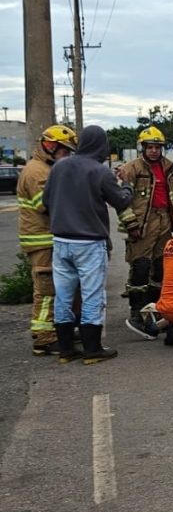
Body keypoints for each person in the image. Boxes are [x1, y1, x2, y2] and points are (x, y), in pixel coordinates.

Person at [42, 125, 134, 364]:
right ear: (102, 146)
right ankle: (92, 349)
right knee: (92, 294)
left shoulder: (58, 167)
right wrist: (126, 185)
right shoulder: (99, 171)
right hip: (89, 243)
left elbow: (45, 201)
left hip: (61, 241)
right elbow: (120, 201)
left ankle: (66, 349)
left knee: (63, 295)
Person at [117, 126, 173, 338]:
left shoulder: (169, 169)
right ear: (143, 148)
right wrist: (131, 224)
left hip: (164, 220)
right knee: (140, 266)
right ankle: (137, 313)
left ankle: (156, 311)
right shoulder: (131, 169)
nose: (154, 151)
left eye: (157, 147)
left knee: (161, 268)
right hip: (142, 224)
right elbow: (120, 200)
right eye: (150, 147)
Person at [16, 124, 79, 356]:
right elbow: (47, 204)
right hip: (42, 241)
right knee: (46, 291)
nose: (68, 156)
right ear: (51, 146)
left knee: (60, 288)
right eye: (65, 151)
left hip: (50, 239)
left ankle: (59, 330)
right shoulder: (36, 172)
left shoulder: (46, 168)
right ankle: (44, 337)